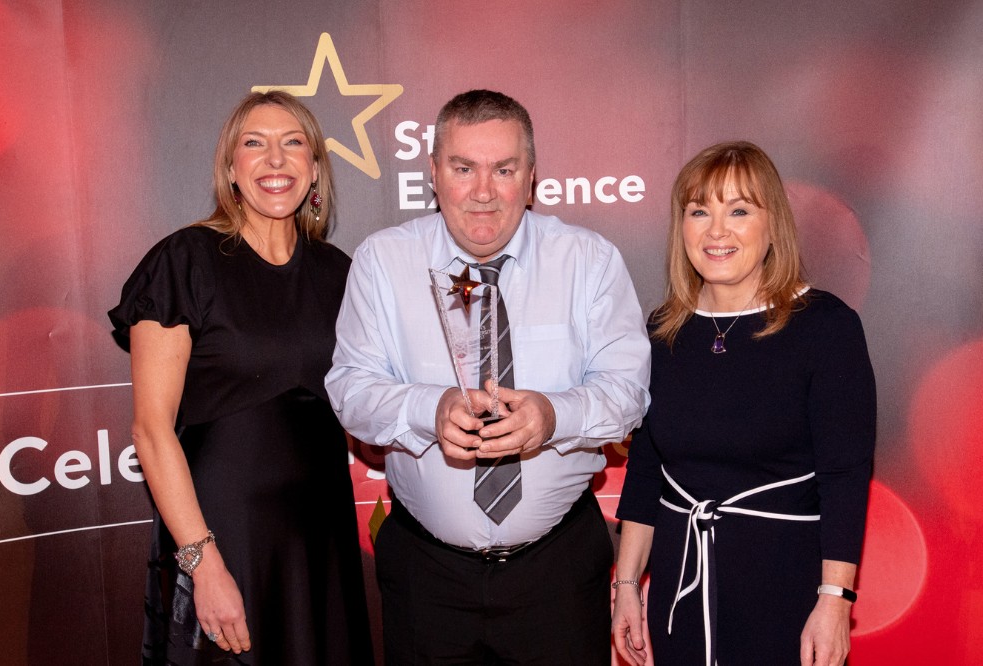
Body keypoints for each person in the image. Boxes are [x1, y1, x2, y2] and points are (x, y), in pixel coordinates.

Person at [326, 89, 651, 664]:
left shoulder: (589, 261)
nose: (483, 191)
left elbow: (627, 395)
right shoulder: (382, 262)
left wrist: (553, 416)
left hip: (557, 574)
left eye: (503, 169)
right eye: (463, 168)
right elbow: (350, 389)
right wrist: (430, 408)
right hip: (427, 578)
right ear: (433, 172)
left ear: (531, 176)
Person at [108, 91, 373, 665]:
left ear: (315, 169)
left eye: (292, 143)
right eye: (254, 144)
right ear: (231, 169)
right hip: (224, 533)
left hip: (320, 538)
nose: (275, 160)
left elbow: (367, 399)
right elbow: (152, 431)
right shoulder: (186, 260)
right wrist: (202, 562)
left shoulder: (341, 274)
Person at [611, 141, 876, 666]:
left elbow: (845, 476)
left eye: (738, 210)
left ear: (772, 224)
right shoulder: (664, 332)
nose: (716, 231)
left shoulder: (826, 327)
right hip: (681, 584)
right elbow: (646, 473)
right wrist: (625, 586)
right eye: (699, 211)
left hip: (786, 588)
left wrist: (835, 601)